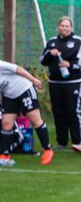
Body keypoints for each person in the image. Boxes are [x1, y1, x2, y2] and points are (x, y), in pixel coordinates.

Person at [0, 56, 52, 164]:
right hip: (9, 95)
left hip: (24, 88)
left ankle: (47, 150)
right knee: (6, 124)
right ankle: (5, 154)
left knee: (35, 120)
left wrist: (33, 80)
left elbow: (17, 69)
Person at [41, 17, 81, 151]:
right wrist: (49, 54)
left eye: (67, 26)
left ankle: (77, 141)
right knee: (58, 111)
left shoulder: (78, 41)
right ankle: (61, 142)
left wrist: (70, 65)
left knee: (73, 111)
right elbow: (43, 60)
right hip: (55, 82)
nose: (64, 28)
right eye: (62, 26)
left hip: (73, 82)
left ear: (71, 27)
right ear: (58, 27)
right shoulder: (52, 41)